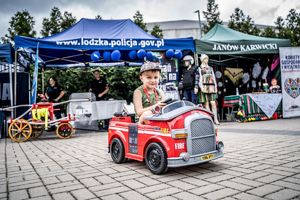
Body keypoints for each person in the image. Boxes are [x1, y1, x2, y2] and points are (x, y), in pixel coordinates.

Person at [195, 54, 219, 125]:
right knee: (206, 103)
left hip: (211, 86)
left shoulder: (210, 68)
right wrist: (201, 87)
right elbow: (200, 78)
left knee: (213, 103)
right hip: (204, 86)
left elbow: (213, 77)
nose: (206, 60)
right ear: (202, 60)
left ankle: (216, 119)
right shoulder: (199, 68)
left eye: (207, 59)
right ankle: (210, 119)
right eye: (205, 59)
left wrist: (216, 87)